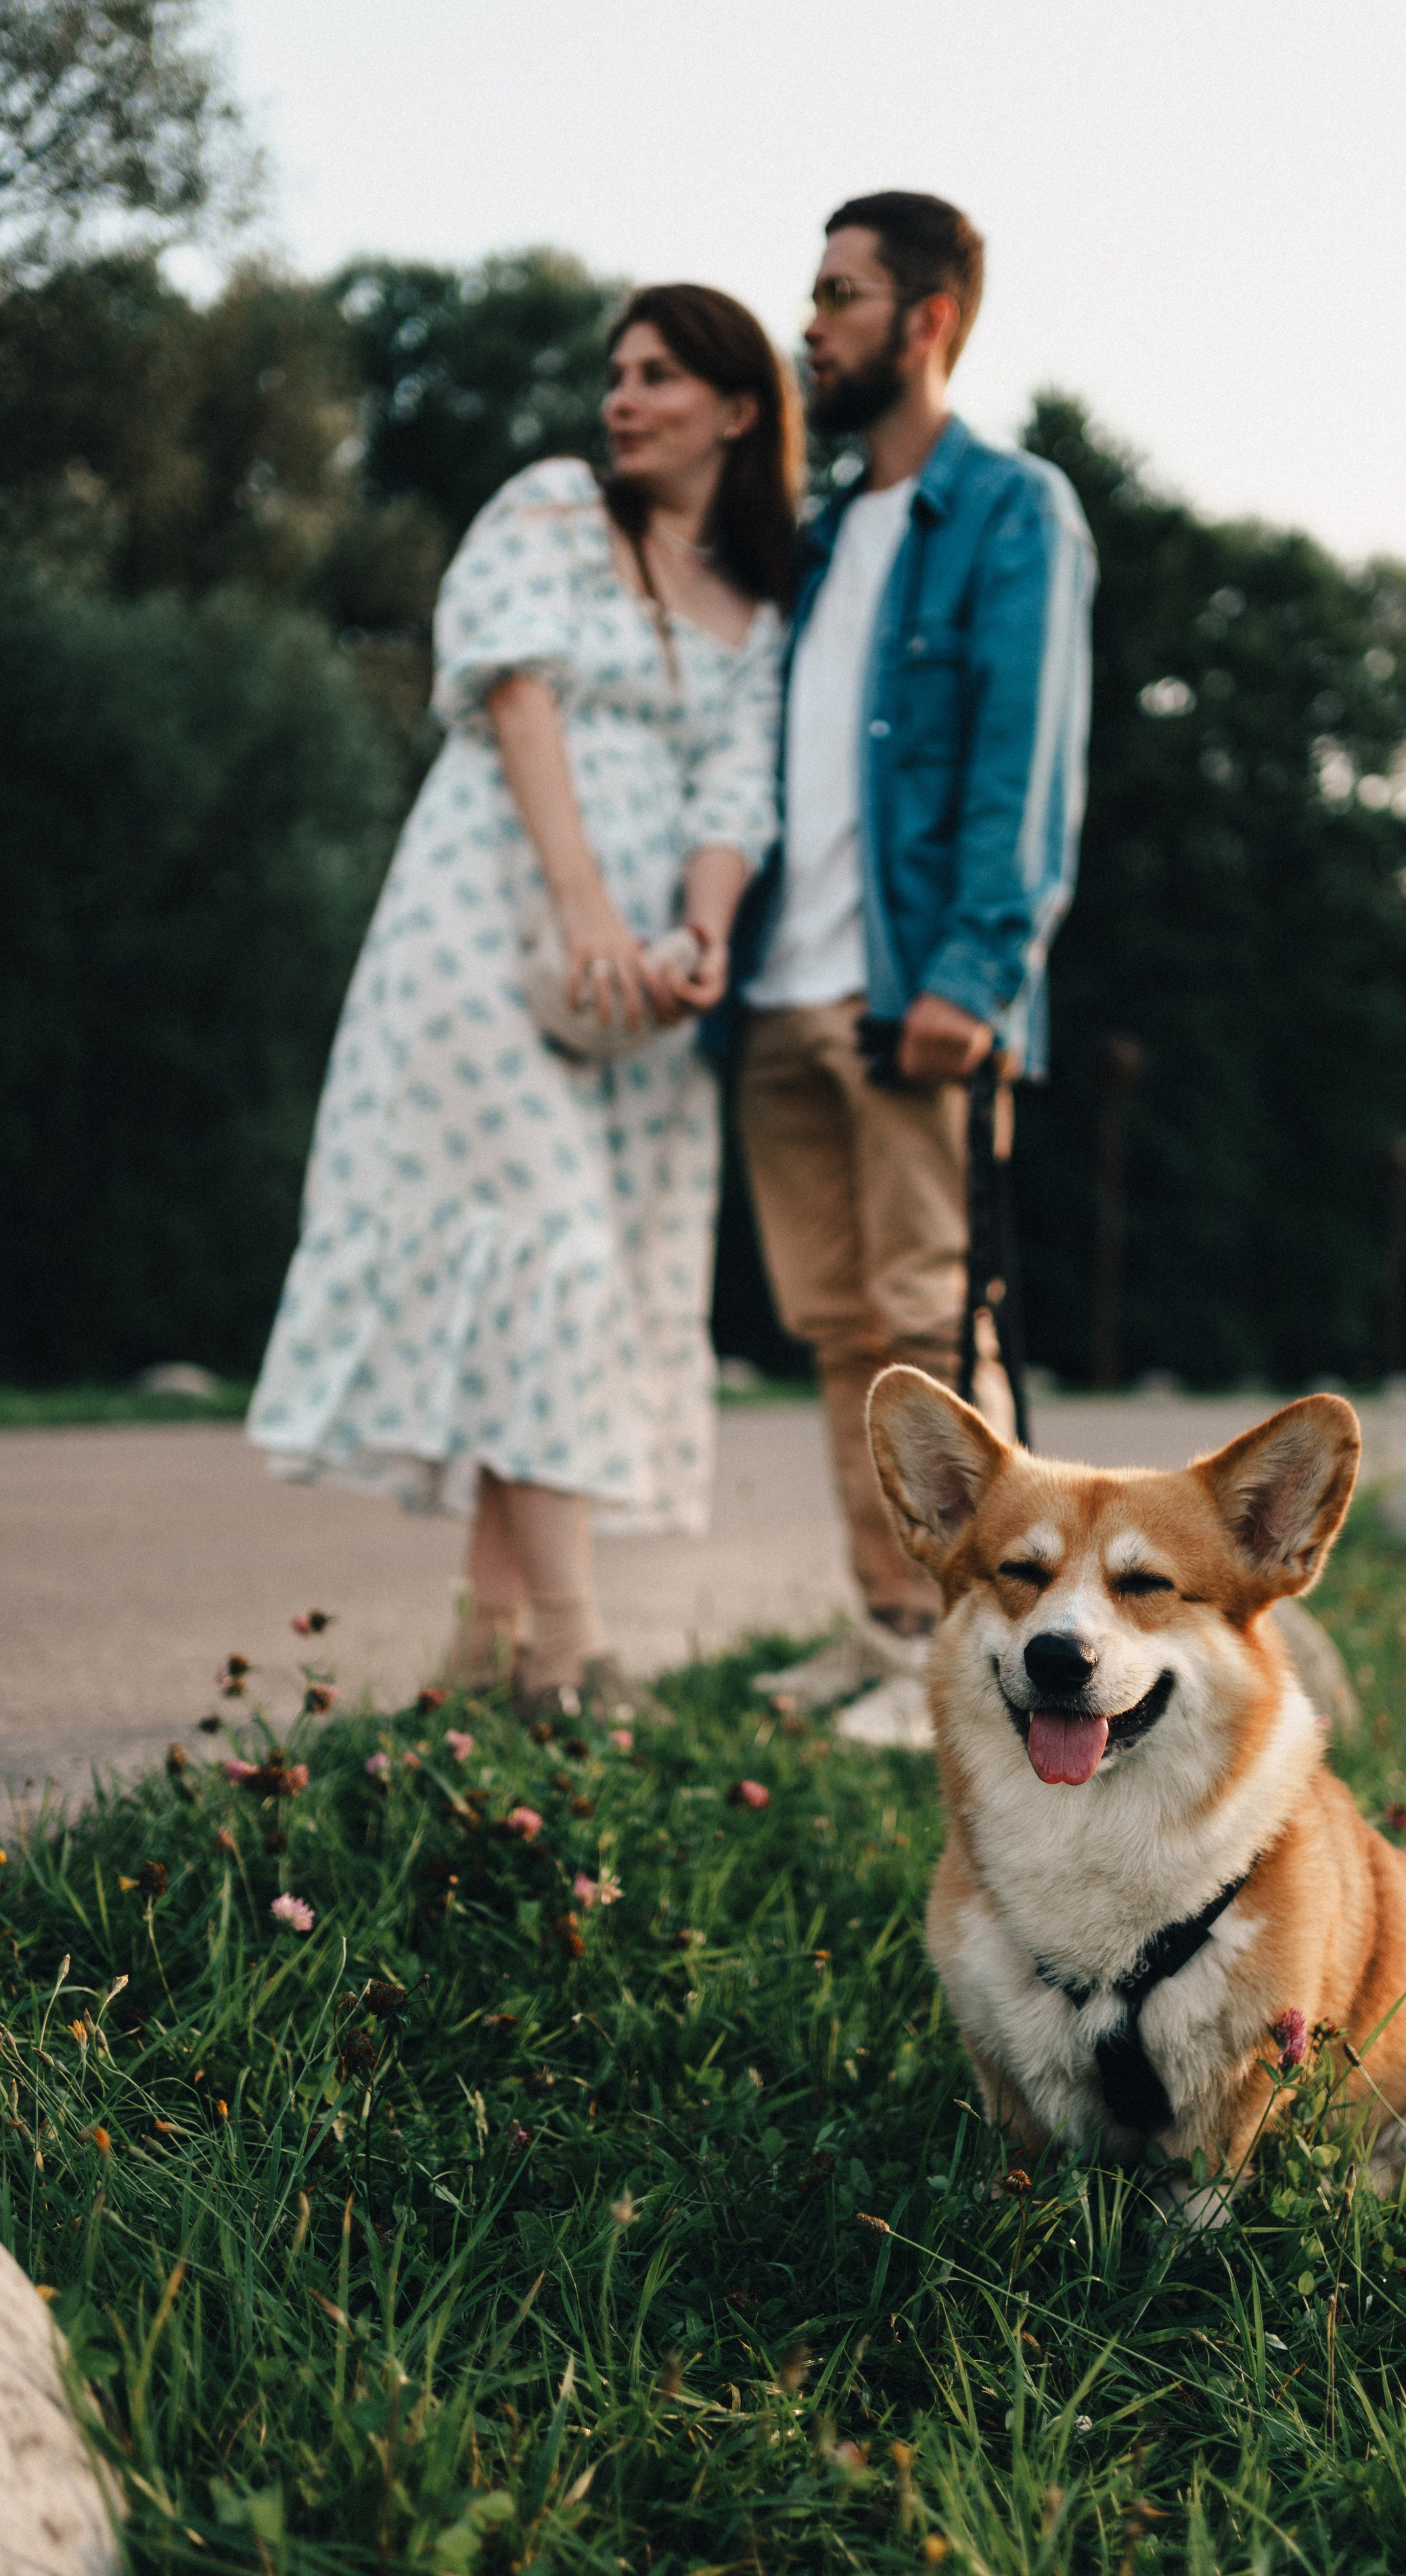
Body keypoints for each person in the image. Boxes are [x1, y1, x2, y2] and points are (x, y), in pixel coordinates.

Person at [249, 286, 797, 1717]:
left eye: (660, 375)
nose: (622, 398)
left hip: (638, 989)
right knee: (541, 1242)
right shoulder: (554, 507)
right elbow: (514, 696)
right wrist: (584, 908)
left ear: (736, 410)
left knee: (568, 1279)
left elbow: (739, 791)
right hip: (492, 914)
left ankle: (479, 1656)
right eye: (616, 372)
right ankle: (572, 1646)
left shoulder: (756, 603)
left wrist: (699, 935)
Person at [731, 192, 1095, 1638]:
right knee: (838, 1336)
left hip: (909, 996)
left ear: (924, 319)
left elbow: (1026, 766)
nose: (808, 328)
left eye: (837, 297)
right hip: (781, 993)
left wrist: (972, 973)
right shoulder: (817, 542)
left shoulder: (1010, 512)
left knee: (934, 1332)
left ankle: (998, 1653)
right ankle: (892, 1635)